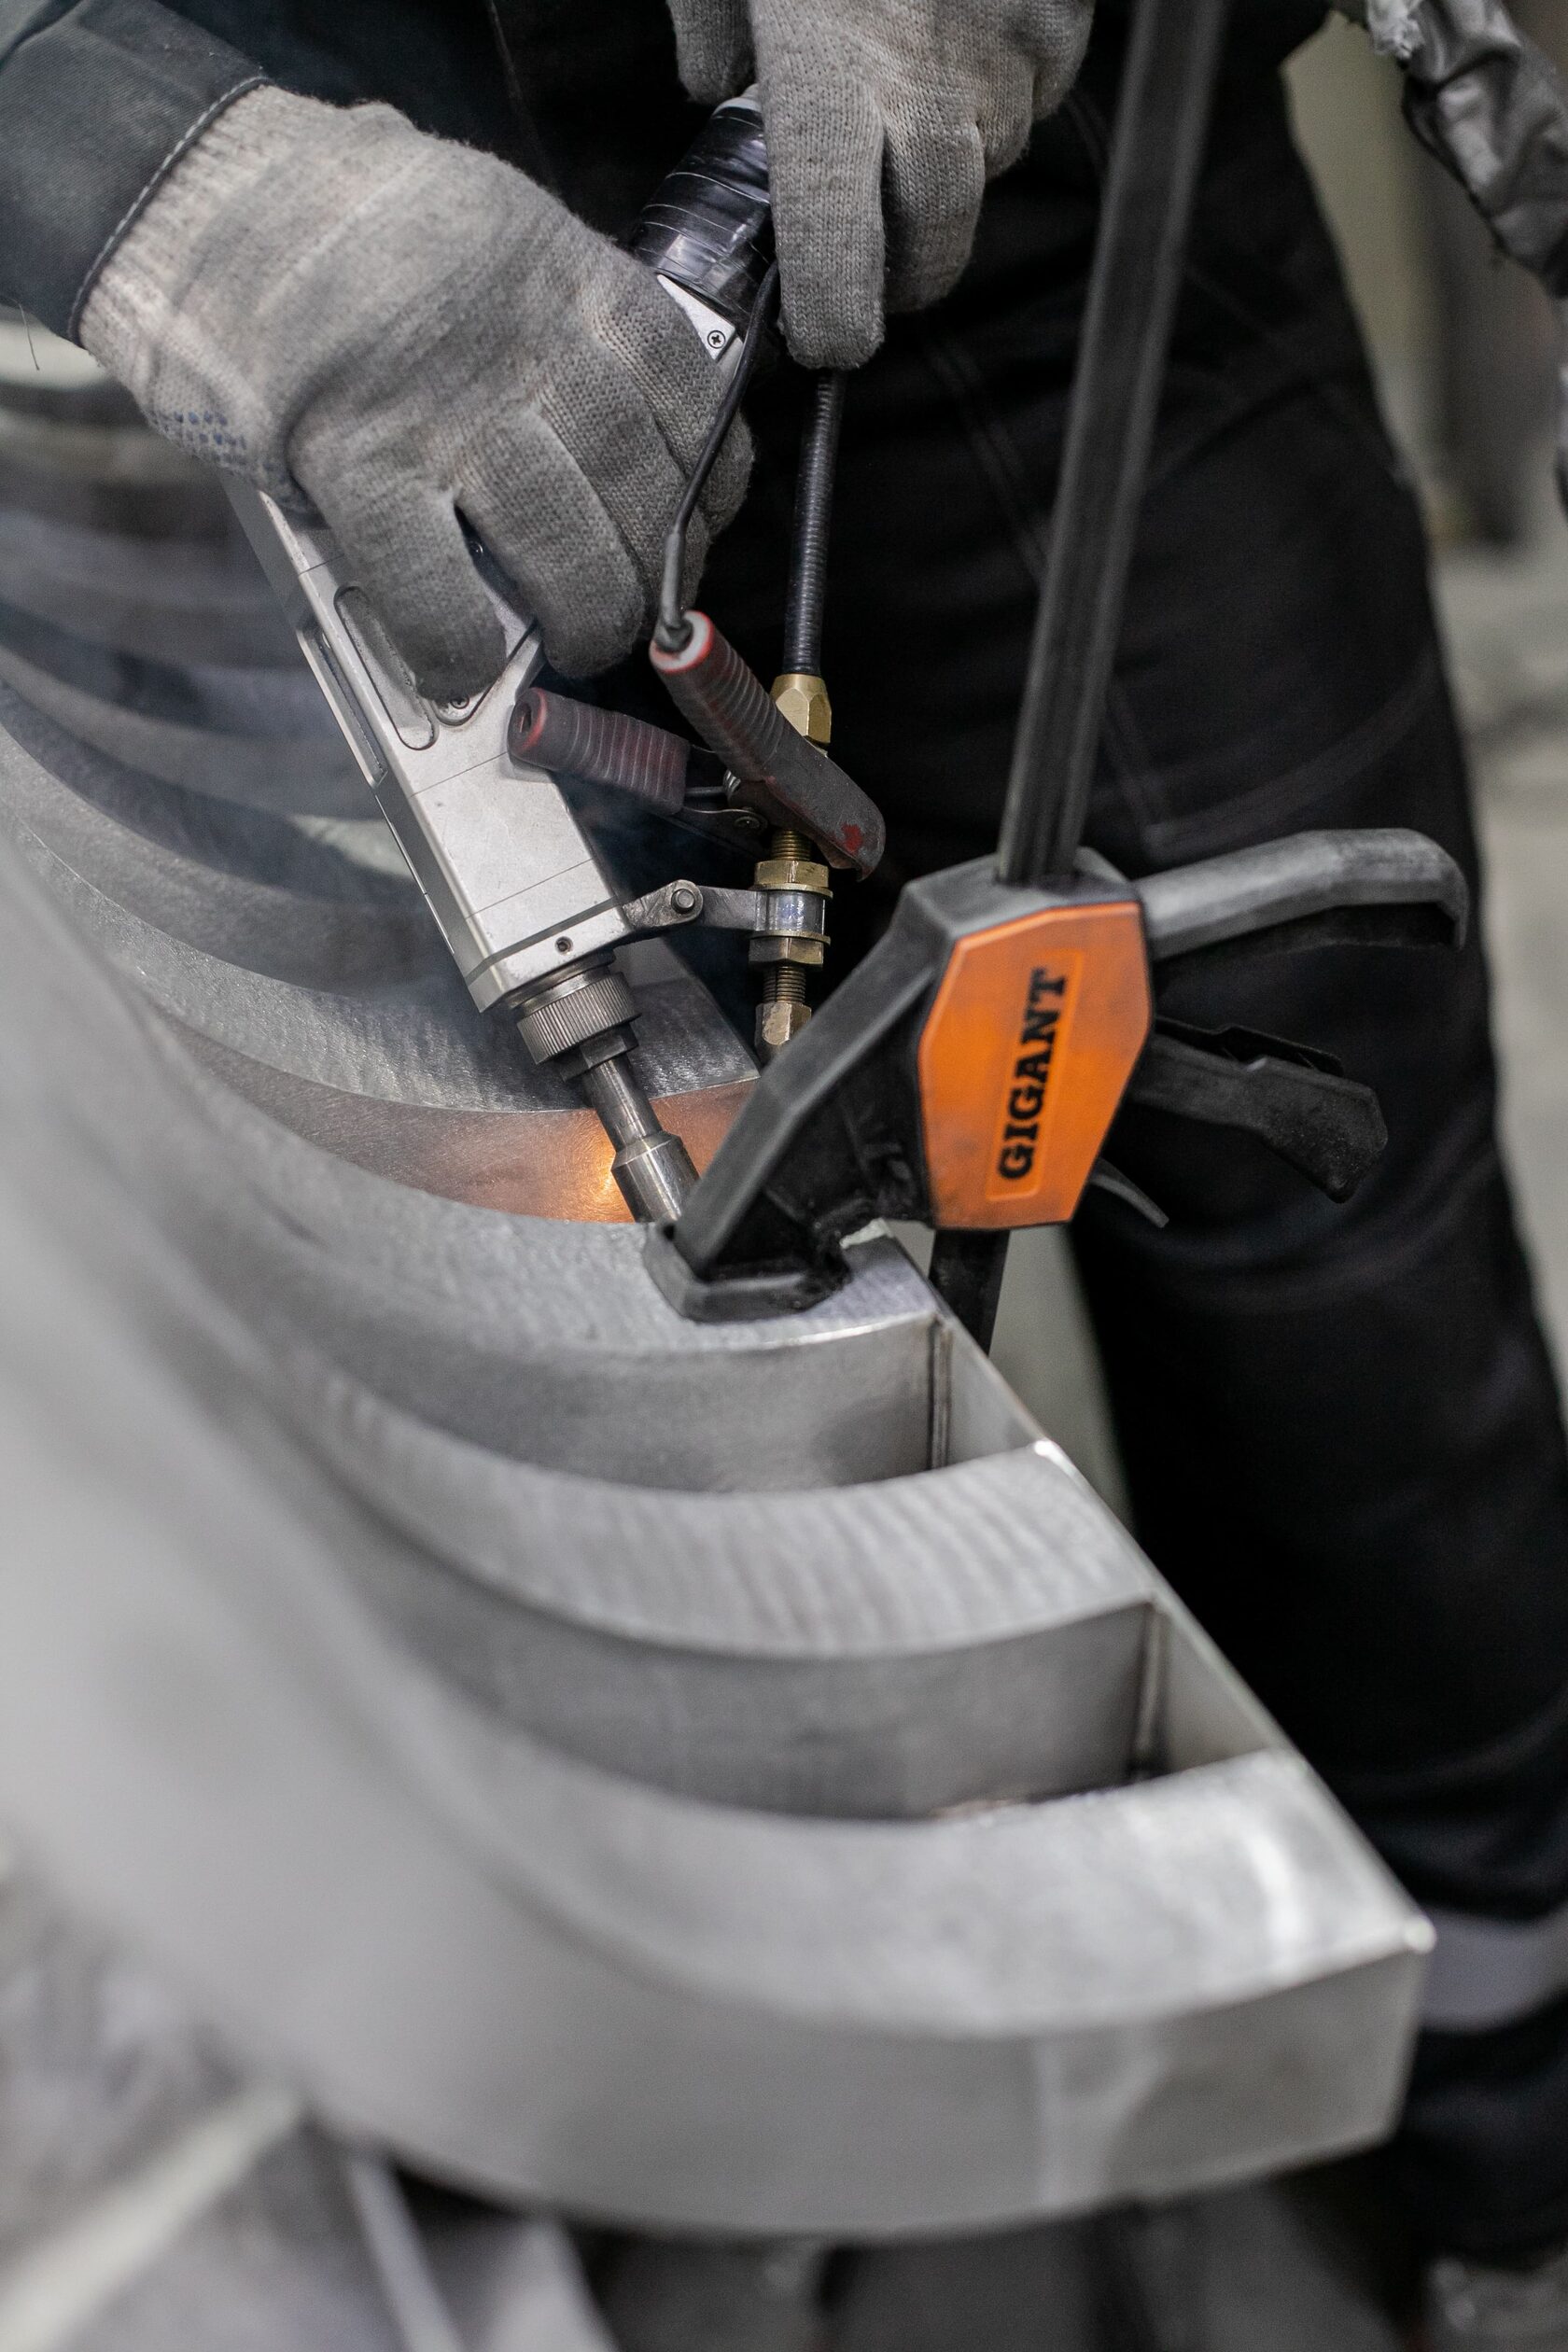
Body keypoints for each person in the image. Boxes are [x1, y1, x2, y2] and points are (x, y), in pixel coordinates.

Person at [3, 0, 1568, 2342]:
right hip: (366, 385)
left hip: (1044, 223)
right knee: (642, 1443)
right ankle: (897, 2140)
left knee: (1355, 1312)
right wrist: (145, 168)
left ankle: (1504, 2120)